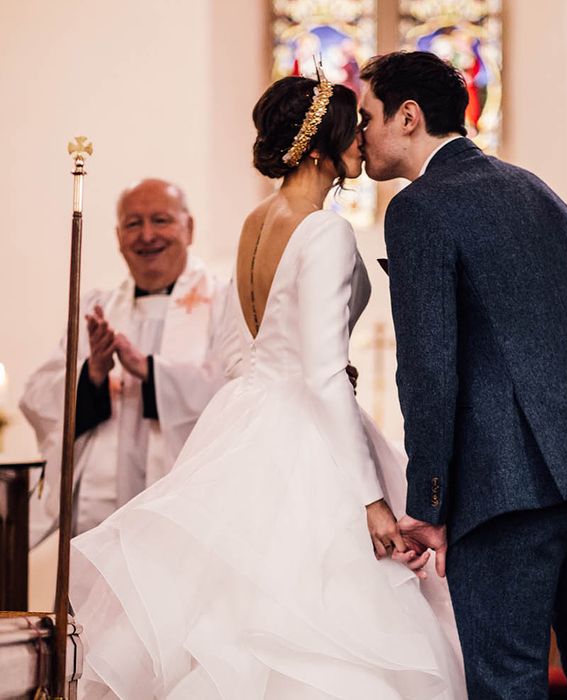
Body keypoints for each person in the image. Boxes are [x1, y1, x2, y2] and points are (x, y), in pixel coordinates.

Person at [69, 71, 466, 699]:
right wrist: (370, 497)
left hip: (242, 429)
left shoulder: (256, 222)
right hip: (308, 437)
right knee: (323, 629)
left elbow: (241, 355)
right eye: (351, 129)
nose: (362, 139)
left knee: (229, 619)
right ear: (316, 148)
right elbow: (322, 372)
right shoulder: (325, 230)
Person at [359, 51, 567, 699]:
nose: (359, 136)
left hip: (505, 487)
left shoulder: (418, 209)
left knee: (507, 683)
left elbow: (428, 368)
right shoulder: (536, 190)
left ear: (408, 117)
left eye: (367, 117)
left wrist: (430, 503)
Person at [20, 179, 235, 539]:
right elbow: (37, 397)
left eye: (161, 220)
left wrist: (151, 373)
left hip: (188, 514)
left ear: (189, 228)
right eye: (133, 223)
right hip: (100, 511)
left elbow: (235, 394)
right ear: (119, 236)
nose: (147, 235)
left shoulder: (224, 303)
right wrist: (92, 376)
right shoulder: (96, 306)